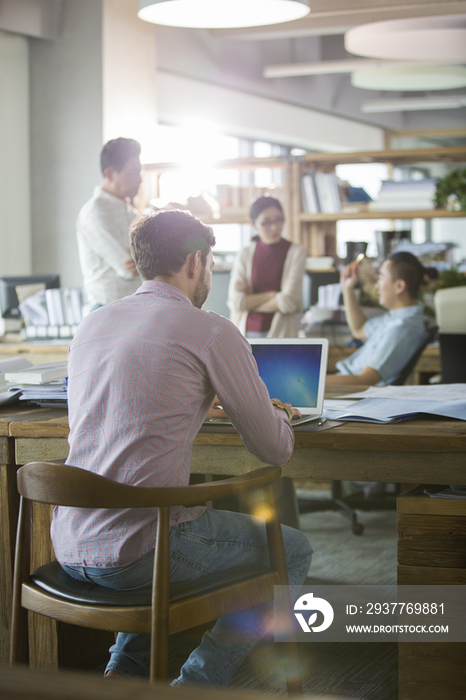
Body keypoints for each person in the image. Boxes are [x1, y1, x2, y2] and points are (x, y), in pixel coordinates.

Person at [51, 209, 312, 686]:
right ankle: (196, 686)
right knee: (291, 550)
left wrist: (197, 400)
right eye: (211, 264)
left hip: (69, 539)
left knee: (155, 525)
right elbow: (275, 450)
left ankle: (120, 674)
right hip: (138, 552)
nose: (210, 274)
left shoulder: (92, 325)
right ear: (195, 261)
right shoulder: (209, 329)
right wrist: (277, 414)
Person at [327, 251, 435, 386]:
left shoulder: (401, 329)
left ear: (399, 286)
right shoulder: (396, 317)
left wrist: (312, 382)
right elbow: (359, 330)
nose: (377, 284)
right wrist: (347, 288)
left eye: (381, 277)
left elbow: (364, 381)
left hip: (349, 394)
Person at [76, 137, 143, 308]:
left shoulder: (129, 210)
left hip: (131, 308)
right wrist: (150, 258)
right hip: (106, 310)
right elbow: (129, 269)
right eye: (133, 172)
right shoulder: (95, 213)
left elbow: (145, 261)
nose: (140, 180)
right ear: (109, 174)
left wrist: (145, 258)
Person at [227, 196, 307, 338]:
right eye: (266, 222)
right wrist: (273, 294)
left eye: (279, 219)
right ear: (254, 224)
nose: (274, 227)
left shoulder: (296, 252)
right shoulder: (244, 255)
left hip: (281, 333)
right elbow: (236, 302)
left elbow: (288, 302)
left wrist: (250, 301)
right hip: (244, 333)